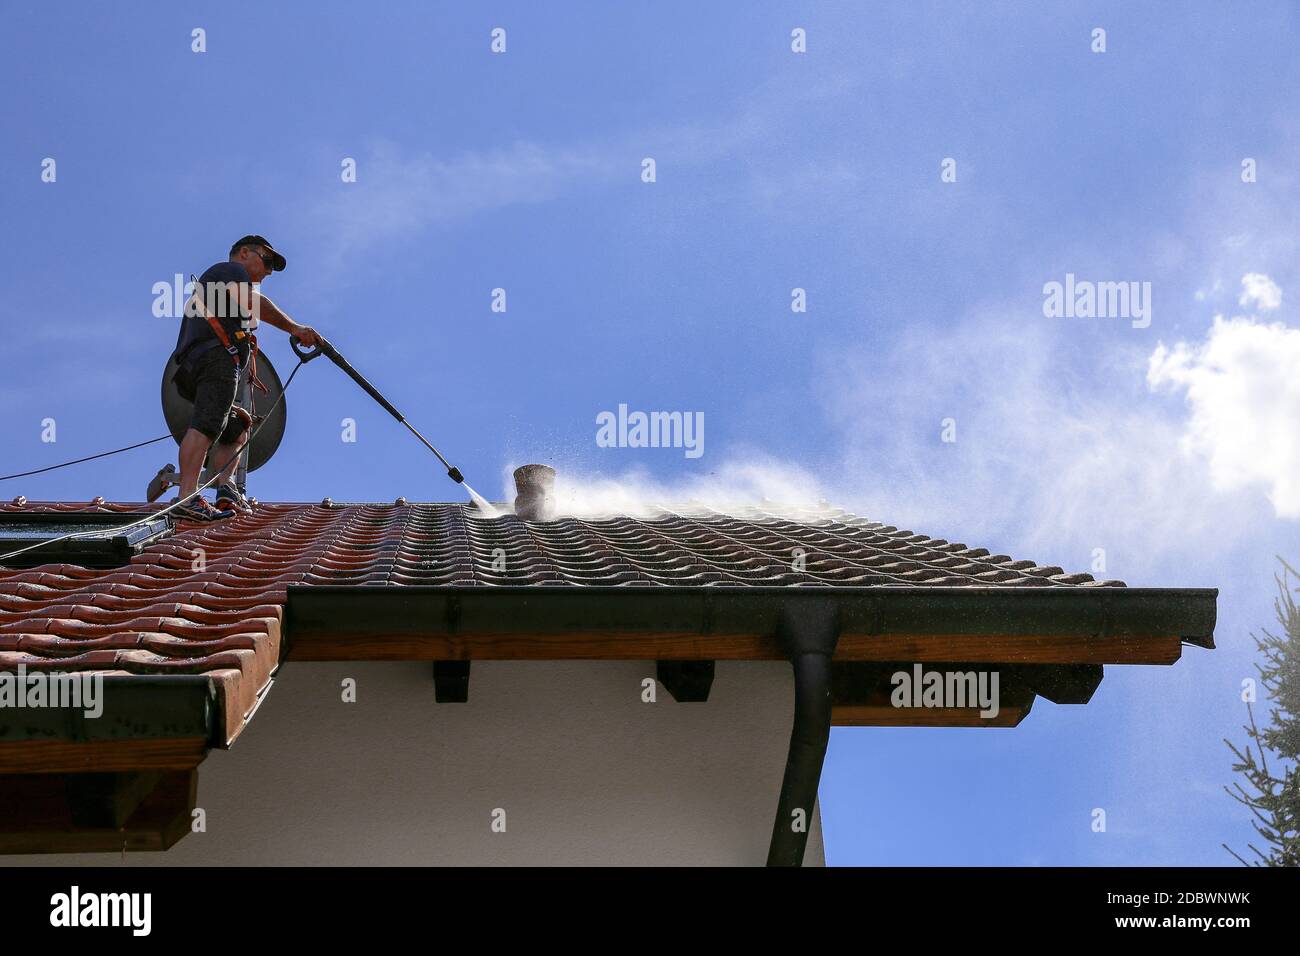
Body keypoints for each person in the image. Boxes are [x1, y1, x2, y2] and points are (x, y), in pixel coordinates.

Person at [169, 235, 320, 521]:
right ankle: (186, 497)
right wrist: (295, 328)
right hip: (214, 359)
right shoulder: (231, 272)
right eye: (266, 260)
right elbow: (252, 302)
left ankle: (226, 488)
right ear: (243, 253)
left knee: (238, 425)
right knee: (208, 421)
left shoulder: (225, 285)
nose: (269, 271)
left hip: (204, 363)